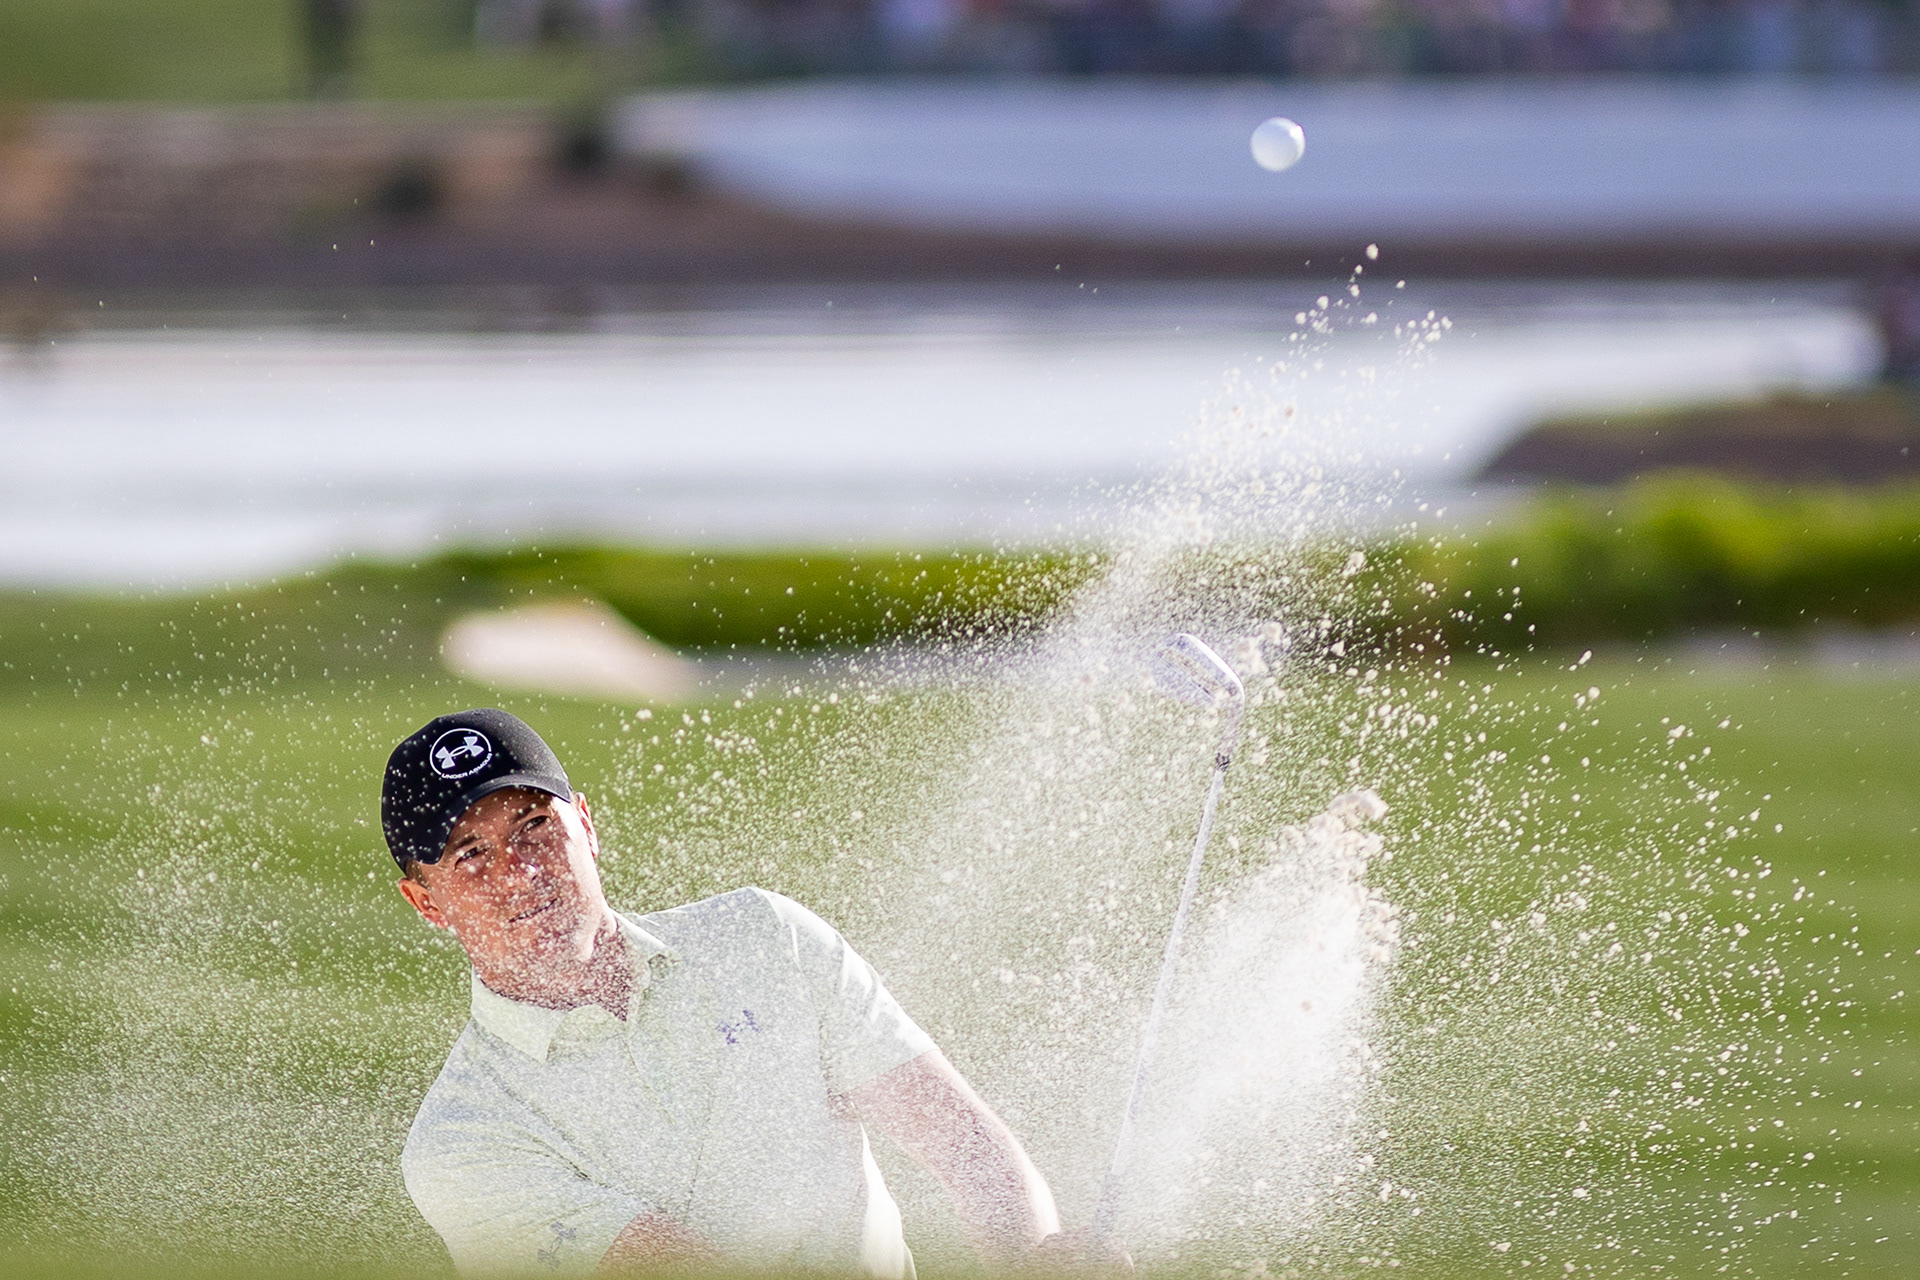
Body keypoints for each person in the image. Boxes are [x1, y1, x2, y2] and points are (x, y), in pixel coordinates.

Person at [383, 708, 1064, 1276]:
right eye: (470, 855)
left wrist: (1036, 1258)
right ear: (425, 902)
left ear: (585, 825)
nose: (521, 872)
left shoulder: (766, 936)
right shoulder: (464, 1140)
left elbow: (959, 1141)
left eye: (536, 826)